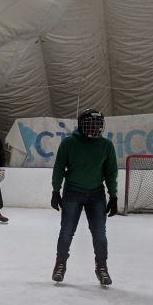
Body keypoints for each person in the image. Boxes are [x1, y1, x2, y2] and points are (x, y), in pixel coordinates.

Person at [50, 108, 119, 285]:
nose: (94, 127)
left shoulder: (106, 146)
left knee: (99, 233)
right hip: (72, 193)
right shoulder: (69, 144)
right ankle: (60, 264)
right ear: (81, 124)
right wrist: (56, 191)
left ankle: (101, 267)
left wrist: (113, 196)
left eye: (97, 124)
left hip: (96, 195)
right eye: (90, 123)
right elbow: (59, 168)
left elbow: (111, 172)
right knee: (66, 231)